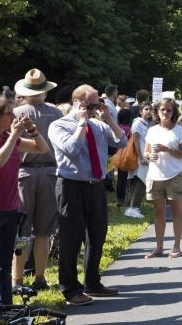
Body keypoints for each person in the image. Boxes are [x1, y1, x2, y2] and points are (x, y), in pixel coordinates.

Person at [48, 85, 126, 306]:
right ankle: (71, 288)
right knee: (71, 238)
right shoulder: (59, 125)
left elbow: (122, 142)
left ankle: (92, 281)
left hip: (96, 185)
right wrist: (82, 123)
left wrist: (109, 118)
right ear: (77, 103)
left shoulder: (99, 125)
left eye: (97, 105)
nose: (94, 110)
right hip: (71, 185)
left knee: (97, 235)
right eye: (90, 106)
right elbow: (71, 149)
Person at [10, 69, 62, 292]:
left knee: (22, 230)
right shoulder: (56, 113)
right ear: (45, 91)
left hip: (23, 174)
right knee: (44, 230)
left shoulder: (15, 112)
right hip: (50, 173)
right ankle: (40, 277)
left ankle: (17, 278)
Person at [0, 94, 49, 305]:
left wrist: (33, 130)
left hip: (10, 207)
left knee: (4, 261)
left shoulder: (9, 136)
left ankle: (6, 306)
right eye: (9, 113)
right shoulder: (9, 138)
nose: (13, 116)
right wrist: (13, 136)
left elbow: (42, 148)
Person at [144, 98, 182, 259]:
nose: (165, 112)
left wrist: (168, 149)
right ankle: (159, 247)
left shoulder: (179, 131)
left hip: (174, 175)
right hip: (155, 175)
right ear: (157, 111)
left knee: (176, 211)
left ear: (173, 112)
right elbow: (146, 153)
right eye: (162, 109)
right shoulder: (152, 130)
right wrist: (150, 155)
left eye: (168, 110)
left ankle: (176, 245)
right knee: (159, 212)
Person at [124, 102, 152, 219]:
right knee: (141, 181)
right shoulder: (137, 123)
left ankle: (132, 206)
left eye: (150, 109)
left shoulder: (146, 123)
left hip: (144, 154)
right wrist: (141, 157)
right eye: (146, 109)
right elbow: (135, 141)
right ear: (141, 111)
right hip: (140, 156)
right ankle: (133, 207)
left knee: (138, 180)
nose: (149, 111)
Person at [115, 109, 134, 206]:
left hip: (119, 156)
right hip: (130, 155)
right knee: (130, 178)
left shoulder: (117, 128)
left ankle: (120, 199)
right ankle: (129, 199)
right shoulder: (131, 129)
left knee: (121, 178)